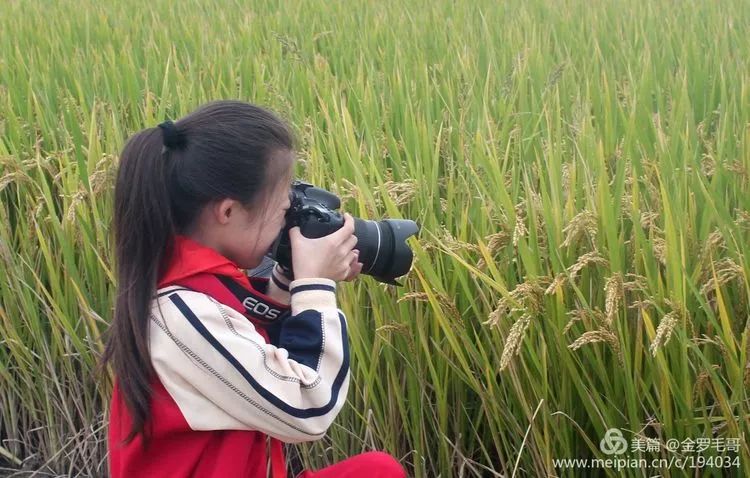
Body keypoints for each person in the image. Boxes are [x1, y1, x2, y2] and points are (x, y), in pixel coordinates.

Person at [99, 100, 407, 478]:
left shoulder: (189, 284)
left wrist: (289, 280)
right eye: (281, 211)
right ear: (227, 212)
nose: (286, 223)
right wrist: (316, 287)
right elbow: (310, 408)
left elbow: (257, 353)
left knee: (377, 471)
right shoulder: (179, 314)